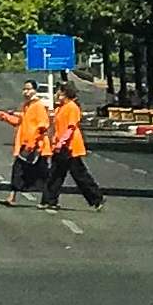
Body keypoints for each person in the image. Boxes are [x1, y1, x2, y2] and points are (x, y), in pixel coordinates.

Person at [39, 80, 106, 210]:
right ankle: (49, 200)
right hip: (60, 146)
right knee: (55, 174)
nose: (57, 95)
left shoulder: (72, 107)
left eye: (59, 93)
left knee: (79, 175)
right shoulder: (60, 107)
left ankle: (97, 198)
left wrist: (61, 142)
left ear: (66, 94)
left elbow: (71, 128)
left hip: (70, 147)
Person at [0, 80, 52, 205]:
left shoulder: (38, 106)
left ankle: (48, 200)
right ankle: (11, 197)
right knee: (17, 170)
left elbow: (43, 126)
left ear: (35, 90)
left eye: (28, 89)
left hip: (37, 147)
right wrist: (5, 117)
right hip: (25, 145)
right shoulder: (26, 106)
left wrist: (33, 142)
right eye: (24, 89)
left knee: (43, 174)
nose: (26, 92)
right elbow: (20, 122)